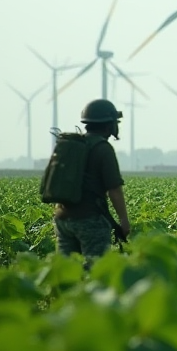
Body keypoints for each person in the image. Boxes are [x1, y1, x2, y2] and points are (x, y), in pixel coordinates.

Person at [47, 99, 132, 265]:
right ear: (109, 125)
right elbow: (114, 189)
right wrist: (123, 221)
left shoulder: (73, 145)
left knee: (67, 272)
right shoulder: (103, 148)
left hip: (63, 218)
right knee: (95, 272)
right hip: (89, 221)